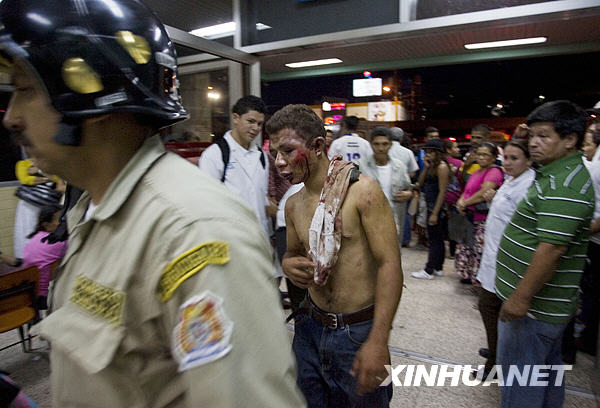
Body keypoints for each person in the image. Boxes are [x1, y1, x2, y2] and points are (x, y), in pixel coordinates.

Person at [0, 1, 305, 407]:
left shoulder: (192, 231)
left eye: (25, 89)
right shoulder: (91, 212)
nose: (11, 117)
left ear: (89, 89)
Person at [266, 104, 403, 407]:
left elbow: (390, 265)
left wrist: (378, 341)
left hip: (357, 333)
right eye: (274, 152)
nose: (279, 162)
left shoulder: (362, 192)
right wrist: (289, 264)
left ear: (317, 146)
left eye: (288, 151)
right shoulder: (293, 205)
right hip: (310, 330)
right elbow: (291, 253)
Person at [495, 100, 594, 408]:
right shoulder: (555, 173)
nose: (533, 143)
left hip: (534, 309)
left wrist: (520, 298)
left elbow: (552, 250)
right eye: (532, 135)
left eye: (543, 136)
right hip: (546, 308)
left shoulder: (564, 184)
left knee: (520, 383)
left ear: (570, 140)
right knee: (546, 375)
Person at [473, 140, 535, 379]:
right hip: (494, 258)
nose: (507, 163)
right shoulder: (511, 181)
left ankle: (497, 363)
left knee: (492, 308)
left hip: (509, 262)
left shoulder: (528, 187)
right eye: (505, 158)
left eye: (514, 158)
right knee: (489, 307)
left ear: (528, 161)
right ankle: (497, 357)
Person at [199, 96, 271, 236]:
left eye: (259, 124)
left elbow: (262, 200)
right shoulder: (214, 155)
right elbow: (207, 204)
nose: (255, 128)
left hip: (261, 237)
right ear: (236, 118)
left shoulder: (261, 156)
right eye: (250, 121)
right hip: (230, 238)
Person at [455, 142, 503, 284]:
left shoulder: (494, 171)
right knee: (469, 246)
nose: (481, 158)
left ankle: (479, 280)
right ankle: (468, 275)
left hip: (482, 218)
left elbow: (483, 193)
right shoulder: (477, 171)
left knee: (479, 249)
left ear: (494, 157)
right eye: (479, 154)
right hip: (470, 216)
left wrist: (465, 203)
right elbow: (468, 190)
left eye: (485, 155)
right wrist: (460, 201)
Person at [359, 127, 413, 245]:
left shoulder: (399, 167)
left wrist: (409, 194)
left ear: (390, 145)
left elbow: (408, 187)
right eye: (376, 144)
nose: (381, 148)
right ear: (371, 145)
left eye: (385, 144)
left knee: (394, 254)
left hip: (394, 218)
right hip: (369, 219)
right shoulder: (361, 166)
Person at [411, 138, 450, 279]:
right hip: (430, 204)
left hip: (436, 207)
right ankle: (438, 267)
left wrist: (435, 213)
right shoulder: (432, 167)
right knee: (437, 238)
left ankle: (429, 269)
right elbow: (420, 183)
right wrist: (426, 167)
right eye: (426, 151)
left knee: (434, 239)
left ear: (437, 153)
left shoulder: (442, 167)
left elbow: (442, 191)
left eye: (430, 152)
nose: (427, 154)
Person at [22, 205, 69, 310]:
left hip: (29, 295)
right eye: (59, 219)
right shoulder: (58, 243)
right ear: (47, 225)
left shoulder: (34, 238)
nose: (64, 222)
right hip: (46, 297)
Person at [443, 139, 463, 258]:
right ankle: (453, 251)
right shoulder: (459, 164)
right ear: (448, 150)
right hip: (455, 197)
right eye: (455, 147)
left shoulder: (440, 163)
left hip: (443, 198)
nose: (458, 149)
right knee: (455, 226)